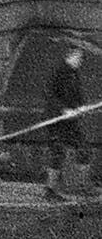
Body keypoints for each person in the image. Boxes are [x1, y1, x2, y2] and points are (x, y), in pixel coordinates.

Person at [48, 38, 91, 197]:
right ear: (70, 55)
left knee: (84, 149)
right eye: (78, 57)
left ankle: (83, 186)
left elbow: (77, 94)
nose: (80, 61)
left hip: (71, 121)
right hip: (57, 121)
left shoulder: (74, 73)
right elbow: (50, 95)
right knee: (58, 152)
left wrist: (82, 107)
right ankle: (51, 189)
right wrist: (63, 110)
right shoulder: (59, 71)